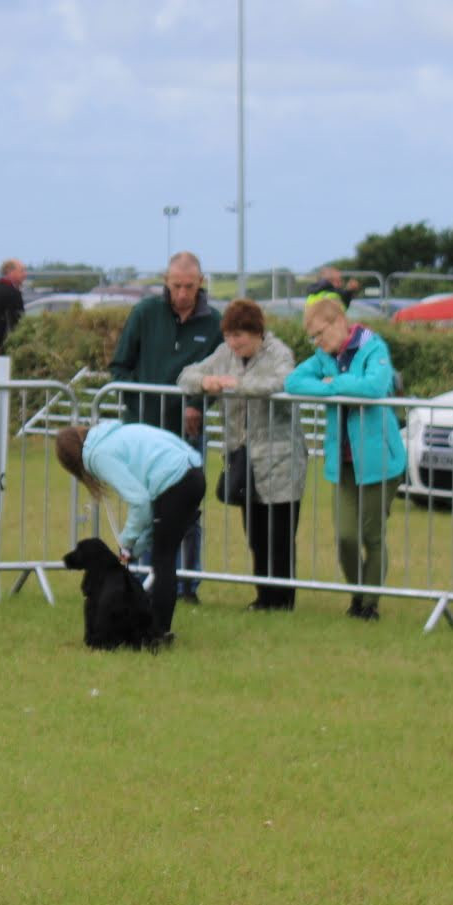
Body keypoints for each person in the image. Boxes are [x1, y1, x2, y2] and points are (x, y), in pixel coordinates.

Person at [178, 299, 306, 610]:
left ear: (257, 332)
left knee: (279, 535)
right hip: (243, 458)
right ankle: (264, 597)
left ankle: (282, 600)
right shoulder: (224, 354)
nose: (233, 343)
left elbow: (283, 381)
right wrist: (205, 381)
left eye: (239, 336)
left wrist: (239, 385)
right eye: (228, 336)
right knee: (255, 534)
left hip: (281, 458)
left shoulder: (279, 353)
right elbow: (186, 375)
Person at [285, 294, 406, 620]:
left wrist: (333, 383)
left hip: (381, 461)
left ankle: (367, 605)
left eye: (320, 334)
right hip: (343, 463)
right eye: (312, 337)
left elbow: (375, 388)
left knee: (372, 535)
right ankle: (360, 594)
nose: (317, 342)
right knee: (345, 537)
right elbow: (294, 382)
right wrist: (336, 389)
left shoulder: (373, 347)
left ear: (339, 322)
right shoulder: (322, 356)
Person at [109, 251, 219, 604]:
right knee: (144, 507)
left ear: (200, 283)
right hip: (144, 434)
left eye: (189, 286)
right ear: (166, 282)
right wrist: (137, 401)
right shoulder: (145, 313)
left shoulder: (214, 324)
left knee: (187, 513)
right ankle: (141, 581)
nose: (183, 293)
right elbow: (120, 366)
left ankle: (186, 585)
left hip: (185, 437)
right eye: (176, 286)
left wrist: (198, 404)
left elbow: (219, 377)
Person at [54, 421, 205, 640]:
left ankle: (157, 634)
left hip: (175, 481)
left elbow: (140, 502)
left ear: (72, 462)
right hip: (193, 473)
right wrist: (135, 548)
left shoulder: (98, 455)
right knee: (163, 552)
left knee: (163, 560)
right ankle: (154, 629)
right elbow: (152, 513)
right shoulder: (112, 434)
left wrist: (125, 543)